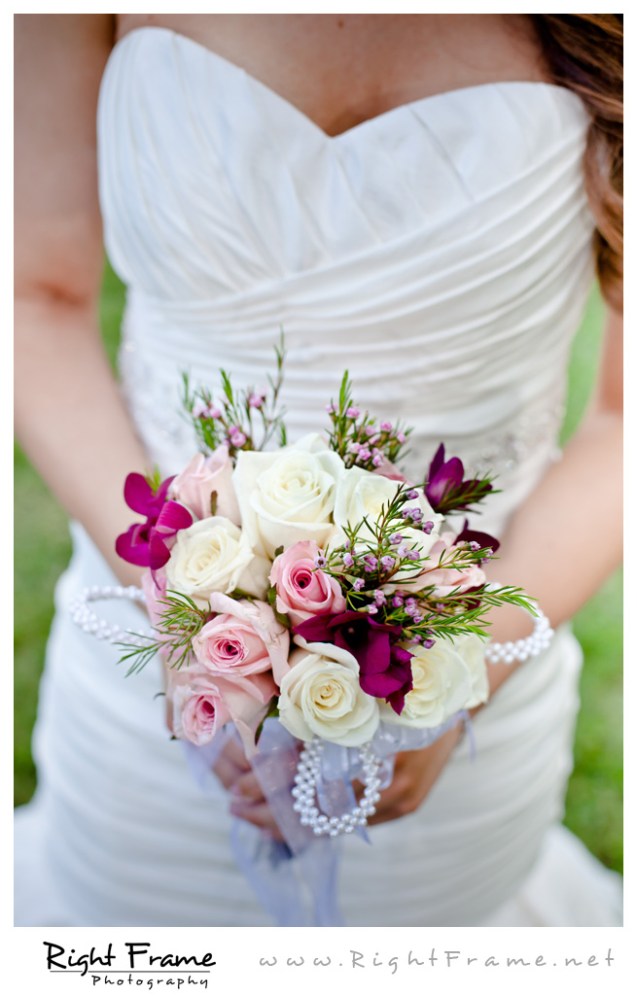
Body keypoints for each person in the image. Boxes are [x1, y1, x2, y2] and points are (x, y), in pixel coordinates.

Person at [14, 13, 622, 926]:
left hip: (466, 724)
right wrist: (188, 617)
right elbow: (32, 296)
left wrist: (456, 672)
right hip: (143, 698)